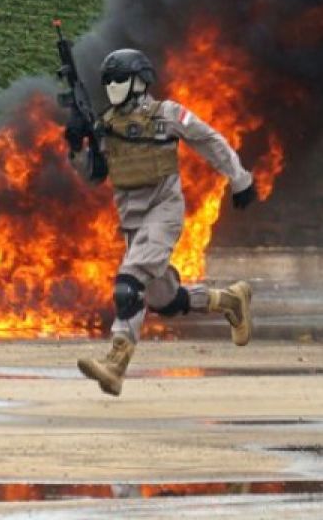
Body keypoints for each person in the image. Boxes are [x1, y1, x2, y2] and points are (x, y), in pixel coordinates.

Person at [65, 48, 259, 396]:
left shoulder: (166, 114)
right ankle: (229, 301)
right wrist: (77, 144)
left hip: (163, 212)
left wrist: (239, 178)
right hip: (132, 221)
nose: (112, 87)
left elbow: (208, 140)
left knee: (129, 283)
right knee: (163, 299)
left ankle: (115, 365)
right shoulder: (106, 125)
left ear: (140, 80)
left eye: (119, 79)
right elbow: (93, 175)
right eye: (107, 80)